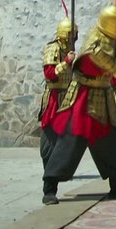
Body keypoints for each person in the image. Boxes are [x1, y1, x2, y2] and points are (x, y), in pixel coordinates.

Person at [41, 0, 116, 205]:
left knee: (111, 143)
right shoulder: (96, 48)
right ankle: (49, 188)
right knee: (69, 144)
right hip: (83, 101)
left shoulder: (104, 36)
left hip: (103, 98)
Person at [39, 15, 76, 170]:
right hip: (54, 97)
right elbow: (50, 74)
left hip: (67, 96)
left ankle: (60, 165)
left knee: (67, 133)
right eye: (71, 34)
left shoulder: (68, 50)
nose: (74, 38)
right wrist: (66, 62)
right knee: (50, 132)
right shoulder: (53, 48)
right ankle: (49, 164)